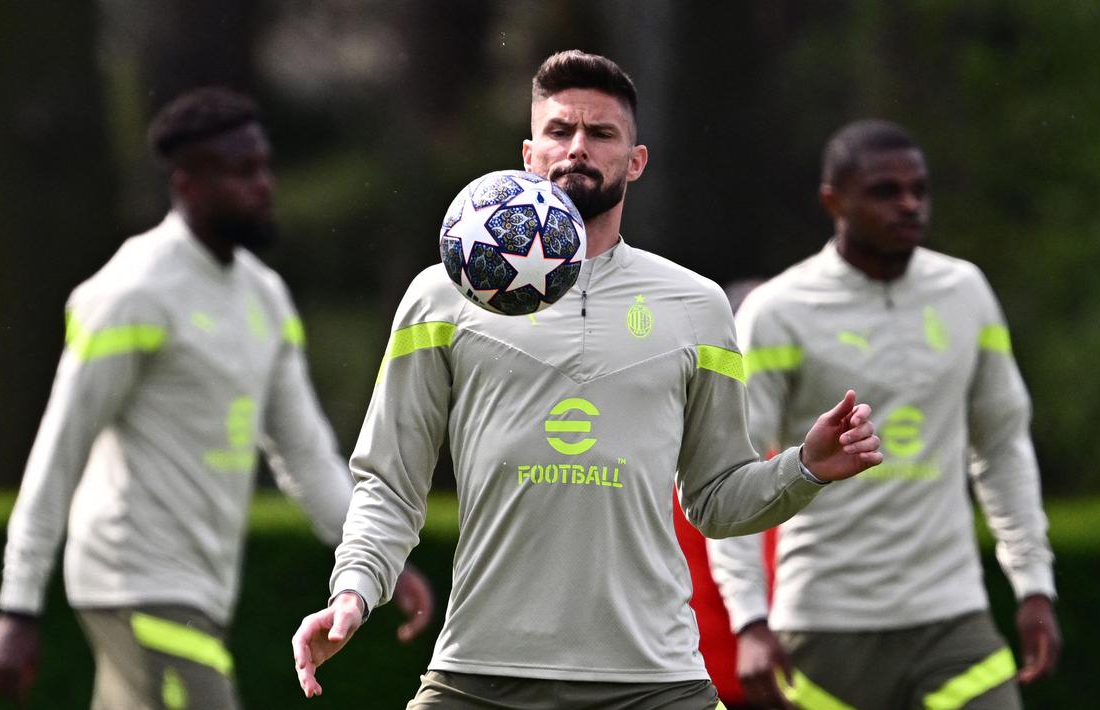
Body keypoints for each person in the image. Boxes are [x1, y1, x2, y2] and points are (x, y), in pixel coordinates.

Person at [291, 50, 882, 709]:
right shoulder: (443, 295)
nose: (577, 147)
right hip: (482, 674)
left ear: (635, 162)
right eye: (559, 131)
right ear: (528, 153)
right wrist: (352, 592)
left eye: (601, 133)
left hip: (654, 680)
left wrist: (806, 467)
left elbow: (713, 500)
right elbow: (391, 483)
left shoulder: (696, 305)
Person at [0, 87, 433, 710]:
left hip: (198, 591)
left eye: (264, 165)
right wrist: (17, 604)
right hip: (133, 581)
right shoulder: (131, 291)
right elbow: (60, 448)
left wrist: (376, 562)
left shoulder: (265, 299)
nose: (265, 184)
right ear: (188, 183)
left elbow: (306, 457)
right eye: (243, 171)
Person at [707, 119, 1062, 709]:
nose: (910, 205)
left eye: (919, 189)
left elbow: (1002, 446)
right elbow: (729, 476)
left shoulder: (966, 292)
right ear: (833, 200)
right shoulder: (777, 311)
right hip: (824, 630)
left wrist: (1034, 586)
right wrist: (749, 620)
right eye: (885, 191)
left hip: (953, 618)